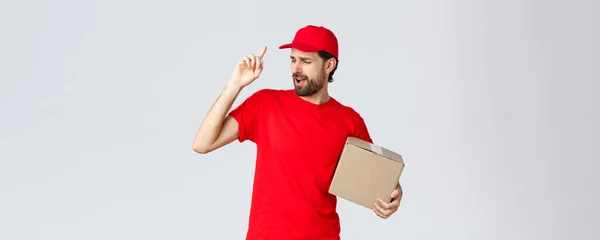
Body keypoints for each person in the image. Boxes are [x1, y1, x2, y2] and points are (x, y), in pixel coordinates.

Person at [192, 25, 402, 240]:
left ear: (329, 65)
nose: (296, 69)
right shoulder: (265, 104)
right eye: (293, 60)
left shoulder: (349, 121)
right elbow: (202, 144)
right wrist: (235, 85)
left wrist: (395, 195)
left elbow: (379, 178)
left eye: (306, 61)